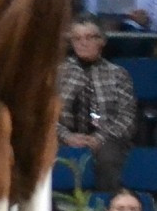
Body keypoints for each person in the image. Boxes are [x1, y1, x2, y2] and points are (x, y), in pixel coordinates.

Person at [57, 15, 137, 191]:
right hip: (63, 136)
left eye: (89, 37)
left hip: (107, 138)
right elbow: (42, 115)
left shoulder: (118, 74)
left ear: (102, 41)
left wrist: (99, 138)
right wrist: (66, 136)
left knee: (109, 156)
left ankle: (106, 207)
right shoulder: (58, 73)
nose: (82, 43)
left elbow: (127, 116)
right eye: (77, 38)